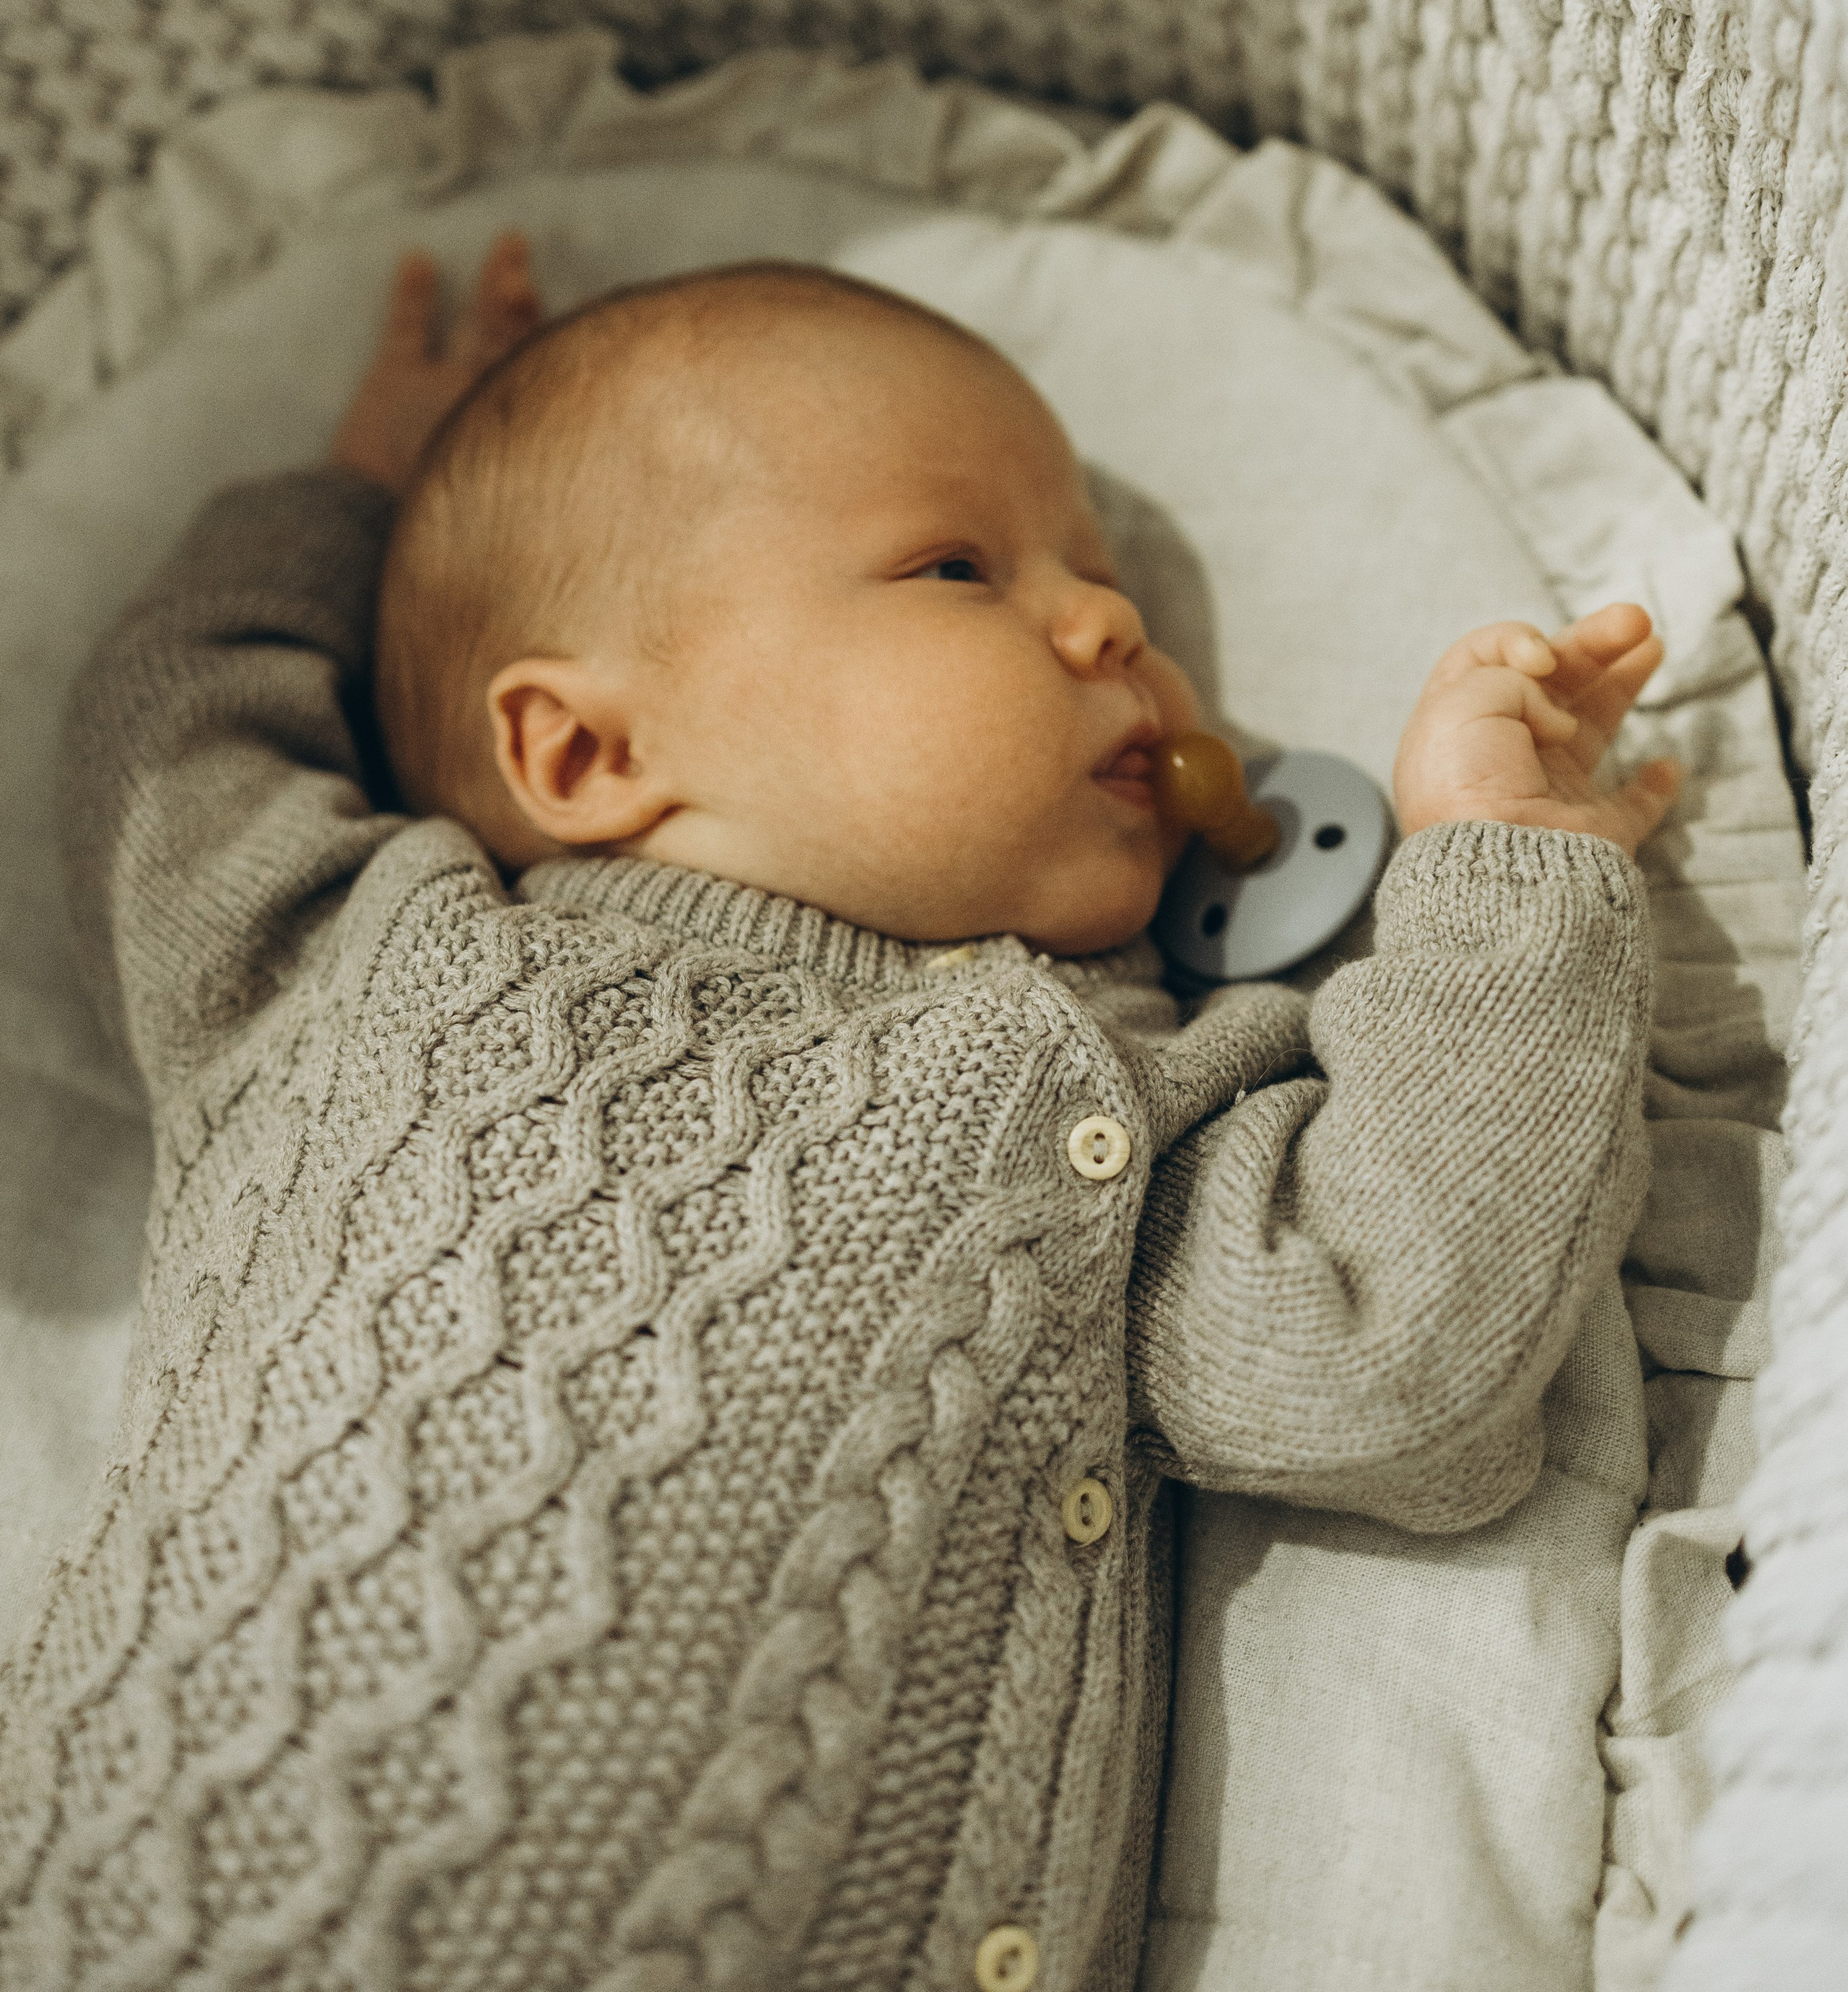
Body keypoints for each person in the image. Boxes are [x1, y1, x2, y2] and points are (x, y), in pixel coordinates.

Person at [0, 235, 1679, 1992]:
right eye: (958, 568)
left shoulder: (1097, 1112)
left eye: (1104, 577)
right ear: (581, 754)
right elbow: (169, 747)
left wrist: (1501, 879)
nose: (1114, 629)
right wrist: (352, 501)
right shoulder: (361, 962)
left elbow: (1388, 1356)